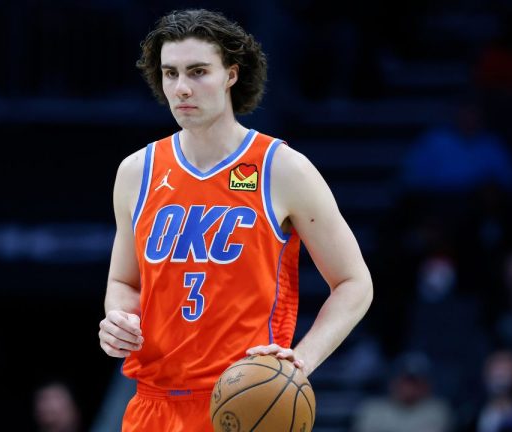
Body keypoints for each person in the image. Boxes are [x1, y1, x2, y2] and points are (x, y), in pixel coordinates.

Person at [97, 9, 373, 431]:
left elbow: (355, 283)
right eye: (170, 73)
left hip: (244, 405)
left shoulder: (283, 168)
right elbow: (124, 283)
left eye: (198, 71)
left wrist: (302, 360)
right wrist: (119, 318)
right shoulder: (137, 171)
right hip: (152, 406)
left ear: (231, 74)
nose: (182, 88)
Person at [352, 352, 454, 432]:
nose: (409, 388)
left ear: (426, 386)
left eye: (415, 382)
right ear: (393, 383)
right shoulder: (372, 409)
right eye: (405, 381)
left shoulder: (437, 410)